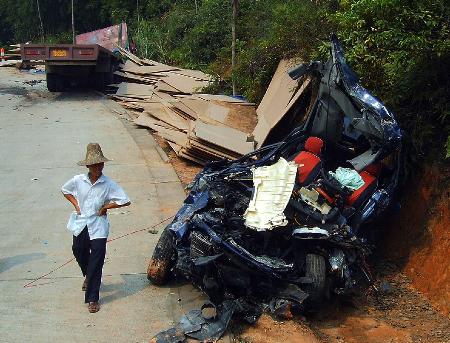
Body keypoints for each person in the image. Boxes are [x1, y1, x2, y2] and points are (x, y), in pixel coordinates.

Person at [61, 143, 131, 313]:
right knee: (78, 250)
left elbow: (125, 200)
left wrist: (106, 207)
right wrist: (76, 205)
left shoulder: (108, 183)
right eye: (95, 165)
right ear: (88, 166)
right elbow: (65, 190)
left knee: (97, 260)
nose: (98, 168)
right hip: (82, 222)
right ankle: (88, 276)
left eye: (100, 164)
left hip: (99, 226)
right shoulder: (78, 180)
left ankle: (93, 298)